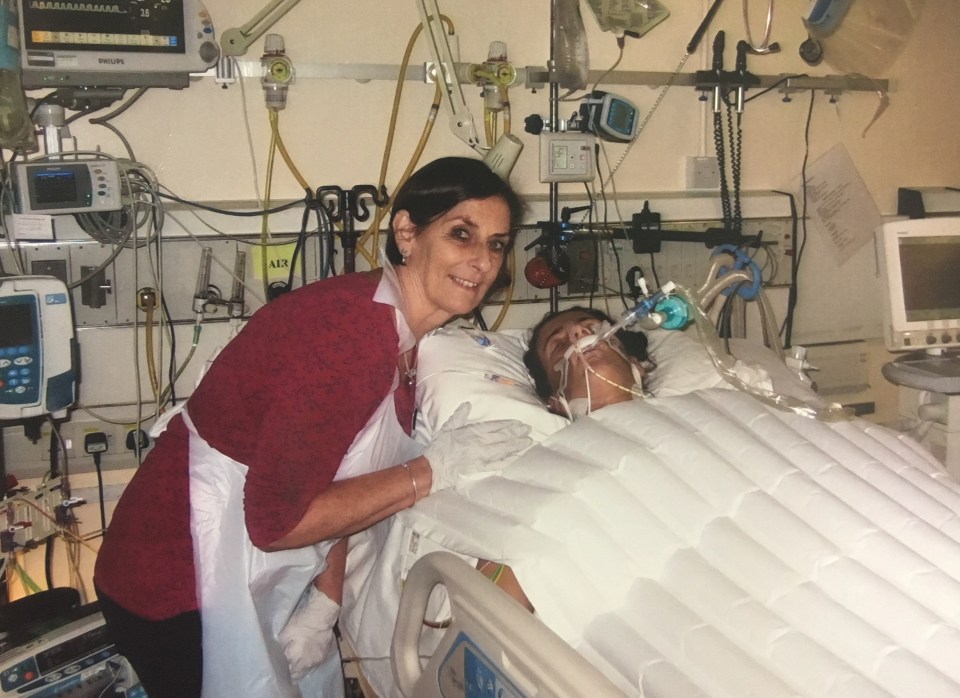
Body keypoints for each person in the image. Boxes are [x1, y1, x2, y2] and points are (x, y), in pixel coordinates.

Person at [93, 156, 533, 698]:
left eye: (496, 243)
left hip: (245, 571)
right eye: (461, 234)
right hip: (171, 586)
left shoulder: (403, 336)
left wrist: (325, 600)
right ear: (407, 233)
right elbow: (277, 523)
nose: (482, 261)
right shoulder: (347, 336)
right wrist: (429, 471)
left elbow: (336, 469)